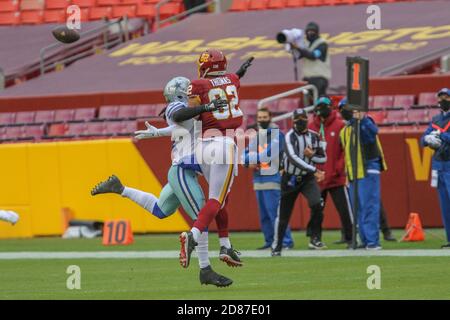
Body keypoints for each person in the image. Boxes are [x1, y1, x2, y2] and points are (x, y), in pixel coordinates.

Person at [91, 77, 236, 287]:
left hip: (183, 171)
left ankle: (119, 188)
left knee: (161, 210)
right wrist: (207, 105)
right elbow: (178, 114)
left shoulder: (191, 114)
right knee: (201, 218)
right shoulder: (176, 107)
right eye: (189, 91)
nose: (193, 94)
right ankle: (205, 270)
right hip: (182, 170)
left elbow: (181, 128)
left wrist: (158, 132)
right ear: (180, 93)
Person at [176, 49, 254, 268]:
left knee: (221, 197)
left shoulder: (199, 84)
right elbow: (232, 80)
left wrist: (205, 107)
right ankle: (192, 235)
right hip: (224, 143)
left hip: (204, 145)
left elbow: (187, 113)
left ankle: (225, 245)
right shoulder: (232, 79)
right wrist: (239, 72)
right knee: (216, 200)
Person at [338, 98, 396, 243]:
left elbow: (372, 134)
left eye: (345, 107)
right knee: (358, 210)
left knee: (369, 206)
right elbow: (347, 155)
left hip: (368, 169)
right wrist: (347, 175)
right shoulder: (344, 131)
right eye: (340, 109)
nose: (343, 111)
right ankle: (364, 241)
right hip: (353, 174)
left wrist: (362, 119)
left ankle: (372, 242)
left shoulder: (365, 122)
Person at [272, 108, 326, 256]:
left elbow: (323, 158)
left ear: (307, 119)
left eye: (303, 117)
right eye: (297, 118)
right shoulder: (289, 136)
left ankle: (314, 235)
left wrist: (312, 155)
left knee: (317, 203)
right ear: (292, 120)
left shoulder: (315, 136)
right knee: (284, 215)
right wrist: (314, 170)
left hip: (307, 179)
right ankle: (277, 246)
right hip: (290, 178)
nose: (300, 120)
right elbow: (293, 158)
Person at [243, 107, 294, 250]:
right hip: (258, 180)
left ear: (270, 117)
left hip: (273, 177)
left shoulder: (277, 135)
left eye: (264, 117)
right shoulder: (257, 136)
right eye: (259, 117)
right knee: (264, 215)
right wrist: (250, 162)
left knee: (275, 213)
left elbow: (269, 154)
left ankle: (285, 241)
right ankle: (270, 241)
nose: (262, 120)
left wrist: (253, 159)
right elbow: (244, 155)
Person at [309, 96, 353, 245]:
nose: (321, 109)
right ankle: (315, 238)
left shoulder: (340, 125)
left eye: (324, 106)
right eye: (319, 106)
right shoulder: (311, 127)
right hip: (318, 178)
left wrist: (337, 169)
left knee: (344, 210)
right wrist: (314, 171)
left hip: (335, 177)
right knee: (316, 210)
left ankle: (350, 237)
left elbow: (344, 150)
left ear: (330, 107)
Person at [421, 87, 450, 248]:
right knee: (445, 205)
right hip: (438, 164)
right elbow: (422, 140)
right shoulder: (436, 120)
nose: (442, 100)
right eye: (440, 97)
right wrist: (428, 138)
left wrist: (441, 136)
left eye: (446, 97)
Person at [292, 22, 330, 96]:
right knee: (306, 101)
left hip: (319, 78)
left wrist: (298, 48)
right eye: (308, 31)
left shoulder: (322, 44)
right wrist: (292, 47)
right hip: (306, 78)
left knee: (318, 100)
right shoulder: (305, 44)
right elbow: (298, 56)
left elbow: (313, 56)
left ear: (317, 32)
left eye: (312, 31)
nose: (310, 33)